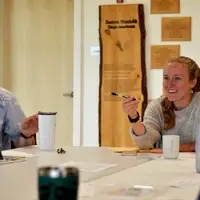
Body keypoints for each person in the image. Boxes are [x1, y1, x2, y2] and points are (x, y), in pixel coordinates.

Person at [123, 56, 200, 152]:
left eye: (177, 78)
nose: (169, 84)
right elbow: (145, 144)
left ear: (192, 82)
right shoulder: (156, 106)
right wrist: (133, 115)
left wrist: (170, 149)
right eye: (166, 78)